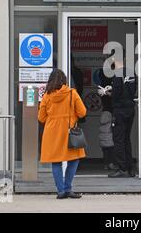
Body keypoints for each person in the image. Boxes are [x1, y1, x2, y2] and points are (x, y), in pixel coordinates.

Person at [38, 69, 87, 199]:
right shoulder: (72, 93)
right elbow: (82, 112)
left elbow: (41, 118)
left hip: (52, 133)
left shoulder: (47, 96)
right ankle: (68, 188)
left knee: (56, 162)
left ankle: (60, 191)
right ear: (64, 80)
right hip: (69, 132)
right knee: (74, 160)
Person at [108, 56, 137, 178]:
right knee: (126, 139)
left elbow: (116, 94)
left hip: (119, 111)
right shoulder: (131, 73)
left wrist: (108, 92)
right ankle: (130, 168)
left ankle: (122, 168)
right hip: (130, 109)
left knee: (118, 139)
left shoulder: (117, 75)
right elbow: (132, 90)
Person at [95, 68, 116, 170]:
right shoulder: (110, 114)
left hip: (106, 114)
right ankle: (111, 163)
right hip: (110, 115)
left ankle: (106, 163)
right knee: (112, 145)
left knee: (105, 148)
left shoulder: (104, 116)